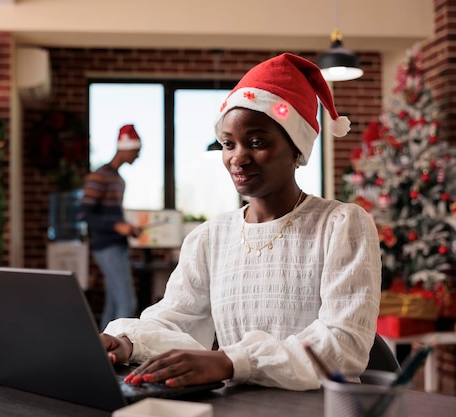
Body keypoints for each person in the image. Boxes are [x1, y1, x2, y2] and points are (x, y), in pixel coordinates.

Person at [100, 53, 382, 391]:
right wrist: (129, 343)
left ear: (297, 149)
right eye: (228, 144)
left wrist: (233, 361)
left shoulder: (341, 225)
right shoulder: (210, 237)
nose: (238, 157)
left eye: (258, 142)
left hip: (319, 408)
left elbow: (343, 345)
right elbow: (177, 319)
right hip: (239, 406)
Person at [78, 124, 143, 330]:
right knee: (127, 303)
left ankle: (103, 352)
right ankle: (119, 353)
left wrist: (127, 228)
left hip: (117, 245)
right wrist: (117, 226)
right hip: (107, 248)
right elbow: (84, 214)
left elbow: (111, 214)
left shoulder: (118, 179)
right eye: (137, 150)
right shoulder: (99, 176)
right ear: (125, 148)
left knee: (114, 304)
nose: (138, 155)